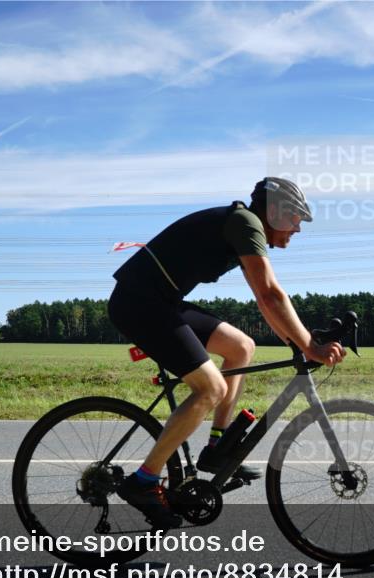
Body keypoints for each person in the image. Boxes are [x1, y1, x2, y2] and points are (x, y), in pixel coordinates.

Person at [107, 177, 346, 528]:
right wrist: (309, 344)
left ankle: (216, 449)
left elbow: (264, 301)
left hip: (162, 301)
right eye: (295, 218)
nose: (297, 228)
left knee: (241, 348)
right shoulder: (246, 223)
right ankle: (144, 480)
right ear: (276, 211)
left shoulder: (246, 228)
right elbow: (271, 294)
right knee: (211, 388)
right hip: (138, 304)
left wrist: (295, 343)